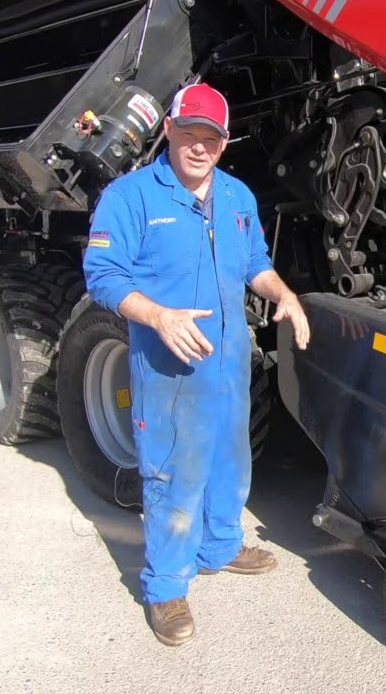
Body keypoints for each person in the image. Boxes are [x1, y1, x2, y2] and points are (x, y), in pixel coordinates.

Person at [82, 82, 310, 646]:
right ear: (169, 130)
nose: (200, 147)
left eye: (212, 137)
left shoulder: (236, 197)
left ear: (225, 141)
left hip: (229, 362)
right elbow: (104, 278)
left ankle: (221, 548)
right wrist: (158, 317)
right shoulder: (131, 197)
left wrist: (284, 293)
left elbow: (254, 261)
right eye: (190, 134)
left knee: (232, 460)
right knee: (172, 475)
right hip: (169, 370)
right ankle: (166, 589)